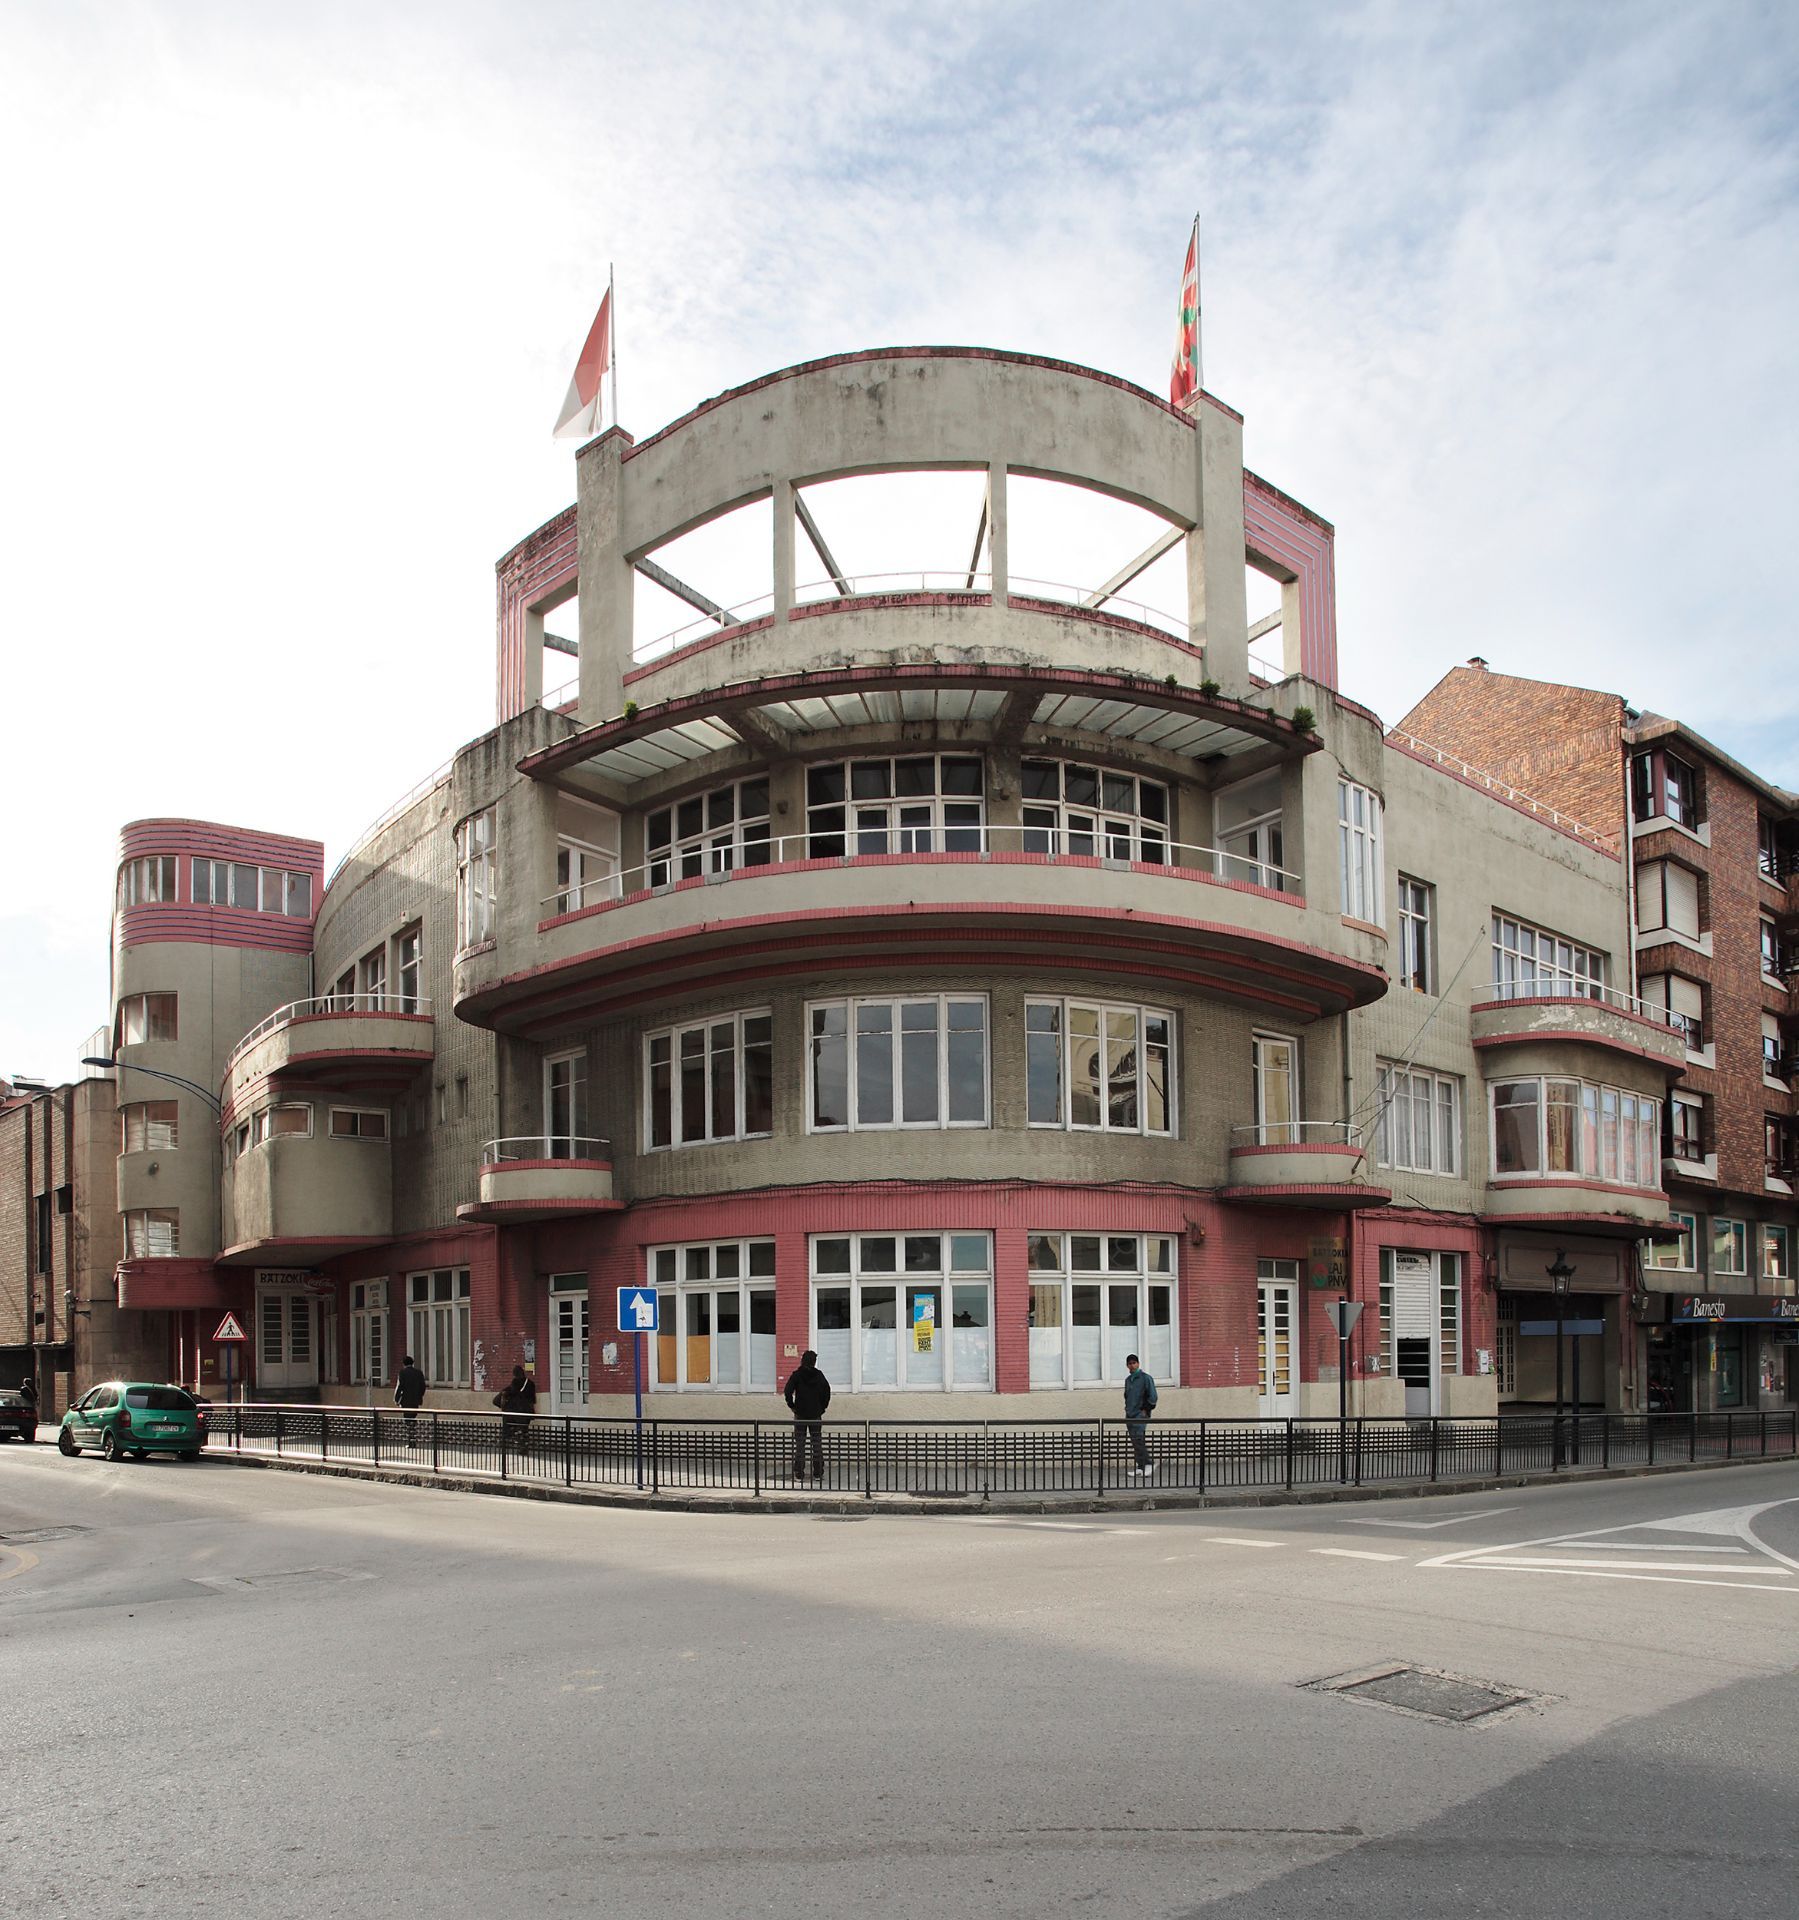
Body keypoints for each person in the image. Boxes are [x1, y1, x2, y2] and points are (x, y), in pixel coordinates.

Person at [783, 1348, 830, 1481]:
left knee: (800, 1445)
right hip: (815, 1414)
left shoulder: (797, 1375)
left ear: (802, 1360)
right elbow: (827, 1391)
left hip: (800, 1415)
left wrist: (792, 1406)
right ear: (814, 1362)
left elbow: (787, 1392)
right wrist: (822, 1407)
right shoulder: (819, 1375)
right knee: (817, 1443)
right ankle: (818, 1473)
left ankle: (799, 1473)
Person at [1123, 1352, 1157, 1477]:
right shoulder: (1128, 1380)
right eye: (1129, 1364)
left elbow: (1153, 1396)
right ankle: (1140, 1466)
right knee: (1135, 1441)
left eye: (1134, 1363)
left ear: (1138, 1364)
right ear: (1127, 1366)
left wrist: (1146, 1409)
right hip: (1130, 1414)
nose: (1132, 1366)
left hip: (1140, 1414)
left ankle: (1149, 1463)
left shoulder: (1145, 1378)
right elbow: (1127, 1396)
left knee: (1139, 1439)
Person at [495, 1364, 537, 1453]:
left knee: (509, 1428)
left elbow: (511, 1392)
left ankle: (506, 1445)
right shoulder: (531, 1383)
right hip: (527, 1411)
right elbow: (533, 1399)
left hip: (516, 1411)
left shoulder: (514, 1383)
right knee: (524, 1430)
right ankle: (524, 1447)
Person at [393, 1353, 427, 1445]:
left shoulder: (402, 1373)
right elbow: (423, 1387)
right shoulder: (418, 1373)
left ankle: (411, 1440)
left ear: (404, 1364)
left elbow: (399, 1387)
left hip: (406, 1401)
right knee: (412, 1418)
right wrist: (419, 1396)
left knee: (407, 1420)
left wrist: (396, 1399)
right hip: (415, 1400)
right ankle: (412, 1439)